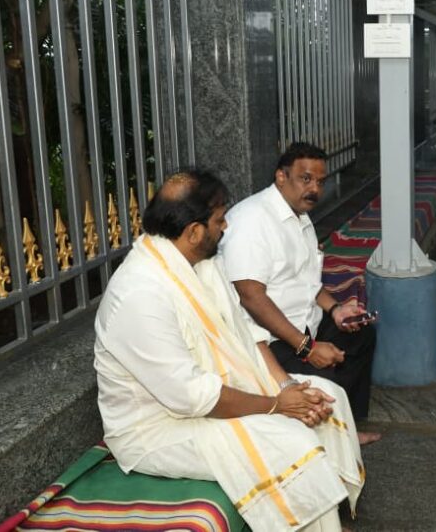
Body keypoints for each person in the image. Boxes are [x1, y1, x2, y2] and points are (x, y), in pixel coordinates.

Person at [93, 170, 364, 532]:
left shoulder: (203, 263)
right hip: (158, 430)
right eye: (220, 220)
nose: (226, 227)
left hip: (213, 393)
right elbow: (190, 396)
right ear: (194, 232)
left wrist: (285, 387)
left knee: (326, 396)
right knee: (292, 441)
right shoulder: (139, 294)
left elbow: (244, 330)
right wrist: (276, 405)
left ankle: (330, 515)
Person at [220, 143, 380, 445]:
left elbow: (306, 281)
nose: (315, 189)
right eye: (306, 179)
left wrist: (336, 310)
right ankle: (333, 433)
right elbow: (251, 296)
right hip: (270, 339)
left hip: (305, 322)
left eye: (320, 181)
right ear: (281, 176)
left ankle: (347, 424)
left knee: (361, 337)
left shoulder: (299, 216)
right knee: (322, 383)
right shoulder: (252, 220)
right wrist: (307, 348)